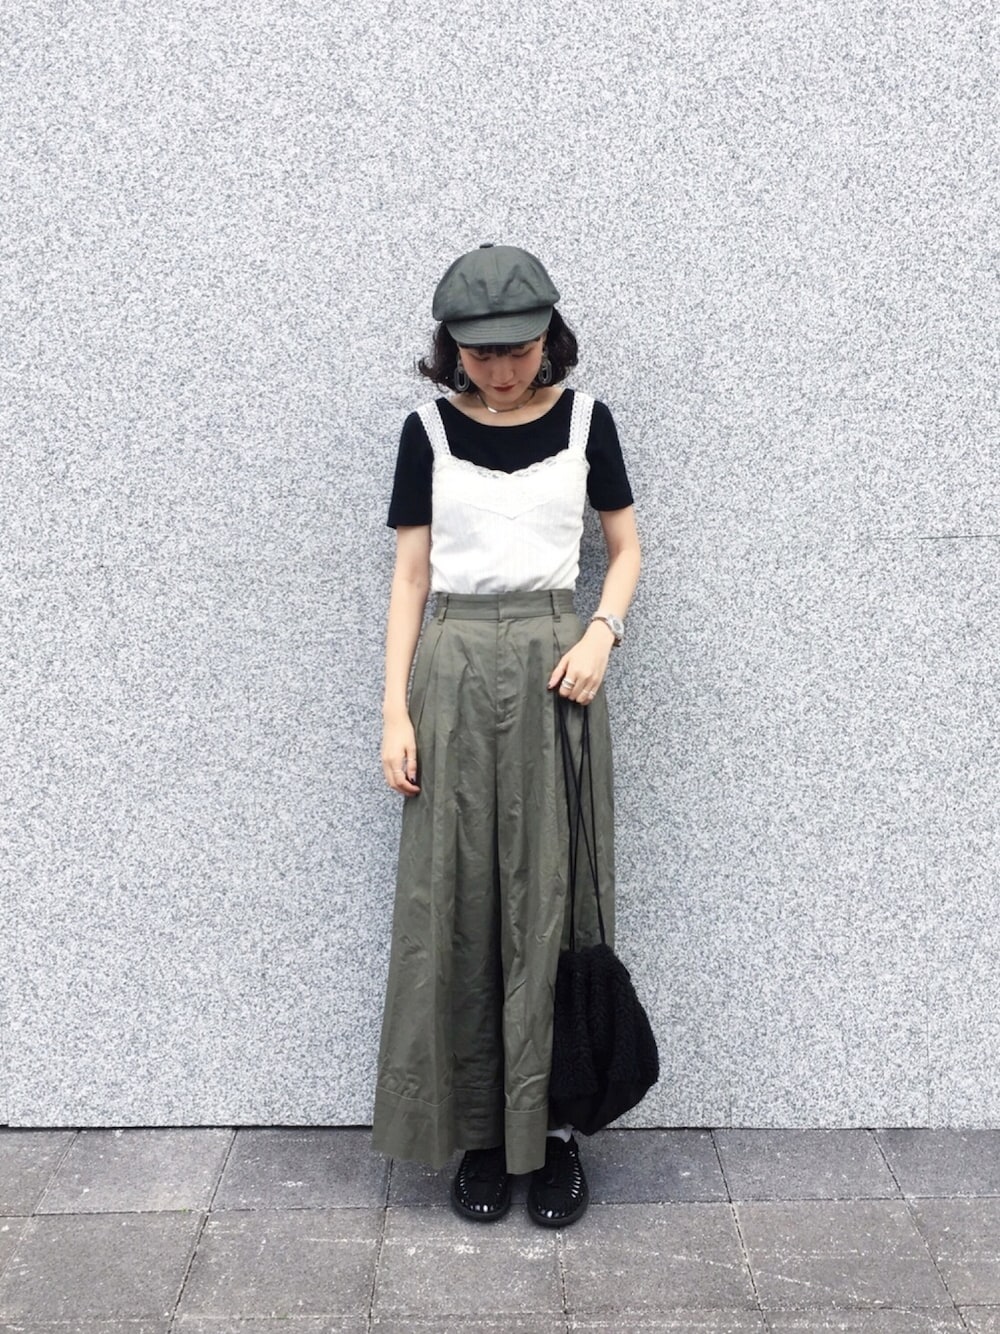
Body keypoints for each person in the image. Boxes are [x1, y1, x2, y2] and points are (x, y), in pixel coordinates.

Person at [372, 243, 640, 1228]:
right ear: (451, 347)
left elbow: (624, 548)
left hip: (555, 668)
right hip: (450, 669)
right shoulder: (425, 433)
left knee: (555, 897)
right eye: (481, 353)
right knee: (459, 898)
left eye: (518, 349)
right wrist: (394, 710)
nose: (500, 368)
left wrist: (601, 632)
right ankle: (482, 1136)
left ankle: (553, 1134)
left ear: (548, 337)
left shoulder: (588, 423)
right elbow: (410, 576)